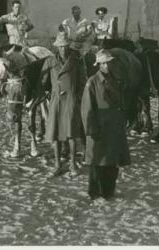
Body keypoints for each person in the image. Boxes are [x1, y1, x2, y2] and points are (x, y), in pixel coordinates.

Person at [81, 49, 131, 201]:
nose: (107, 66)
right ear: (99, 65)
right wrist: (91, 130)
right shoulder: (92, 82)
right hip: (100, 127)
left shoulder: (114, 79)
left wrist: (124, 118)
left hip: (114, 127)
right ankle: (95, 193)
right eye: (104, 63)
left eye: (109, 62)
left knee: (112, 161)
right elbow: (87, 109)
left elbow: (121, 101)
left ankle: (109, 191)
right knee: (97, 162)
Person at [42, 32, 86, 177]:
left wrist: (77, 97)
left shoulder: (75, 61)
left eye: (65, 46)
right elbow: (44, 82)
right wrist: (50, 94)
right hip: (56, 100)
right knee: (56, 133)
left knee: (71, 133)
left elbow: (82, 81)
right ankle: (57, 165)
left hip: (70, 100)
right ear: (56, 47)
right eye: (60, 46)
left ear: (69, 46)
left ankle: (73, 164)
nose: (63, 49)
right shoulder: (50, 61)